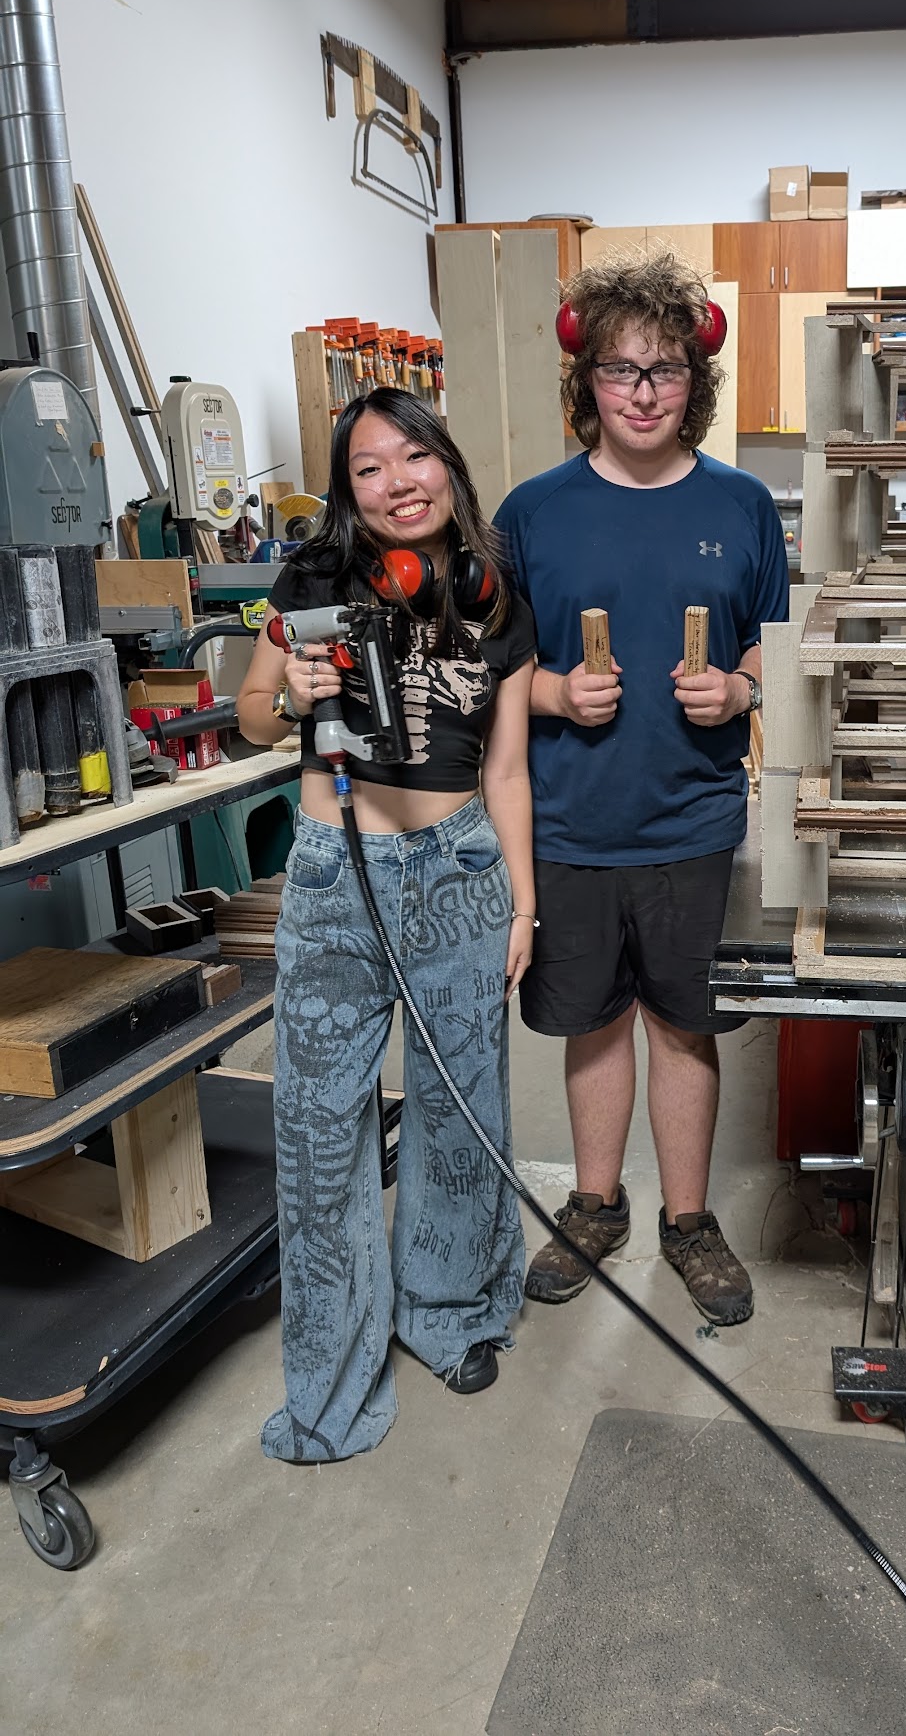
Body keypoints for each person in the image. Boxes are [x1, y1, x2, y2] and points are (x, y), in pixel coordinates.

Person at [237, 386, 537, 1462]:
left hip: (461, 870)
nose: (398, 483)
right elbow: (252, 715)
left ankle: (448, 1313)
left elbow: (507, 768)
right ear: (348, 491)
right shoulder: (313, 580)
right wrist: (291, 689)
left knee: (462, 1113)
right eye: (369, 468)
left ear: (446, 463)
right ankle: (331, 1387)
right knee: (322, 1130)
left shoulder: (496, 595)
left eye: (413, 457)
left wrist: (523, 902)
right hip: (335, 874)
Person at [493, 252, 789, 1328]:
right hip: (571, 820)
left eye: (664, 369)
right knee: (594, 1022)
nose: (643, 391)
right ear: (588, 381)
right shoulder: (532, 513)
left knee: (682, 1024)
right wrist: (556, 694)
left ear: (694, 380)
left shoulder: (743, 505)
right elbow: (494, 671)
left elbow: (773, 648)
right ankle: (596, 1204)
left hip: (693, 820)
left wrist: (741, 690)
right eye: (620, 369)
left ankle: (689, 1221)